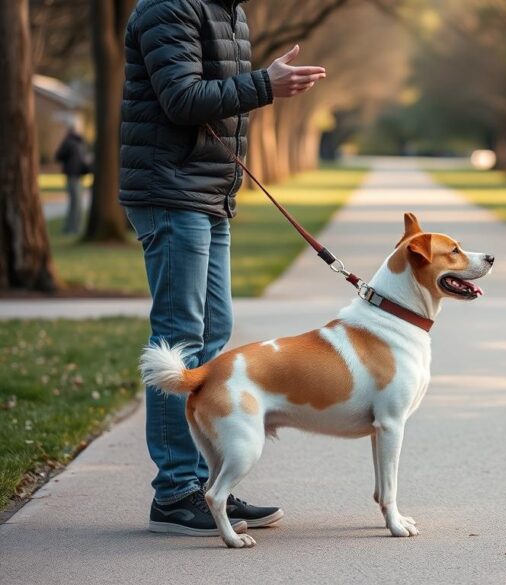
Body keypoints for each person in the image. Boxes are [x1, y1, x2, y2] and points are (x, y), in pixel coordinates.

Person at [118, 0, 326, 536]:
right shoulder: (170, 7)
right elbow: (182, 99)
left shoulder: (228, 13)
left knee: (214, 332)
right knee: (182, 338)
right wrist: (265, 84)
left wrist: (264, 85)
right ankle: (174, 494)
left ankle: (212, 491)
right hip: (170, 190)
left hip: (207, 193)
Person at [54, 123, 90, 234]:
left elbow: (58, 156)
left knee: (75, 204)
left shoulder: (70, 142)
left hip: (74, 176)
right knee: (76, 203)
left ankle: (73, 228)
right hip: (75, 175)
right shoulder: (80, 143)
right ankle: (73, 228)